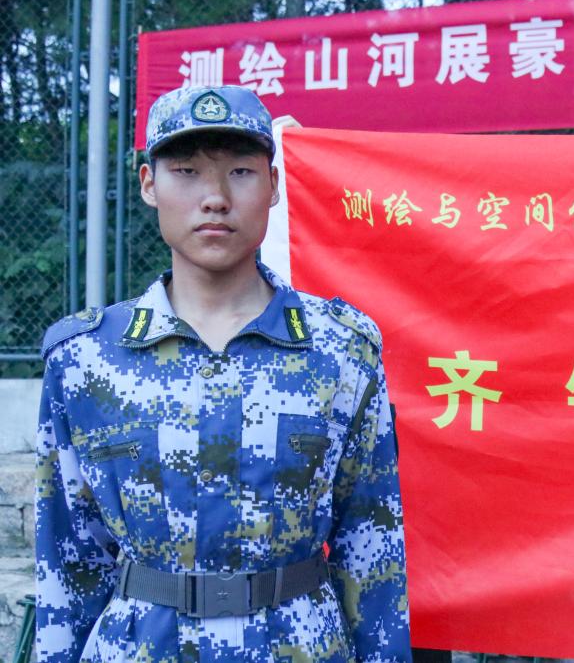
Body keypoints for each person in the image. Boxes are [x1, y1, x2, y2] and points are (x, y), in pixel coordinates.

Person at [35, 85, 411, 662]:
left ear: (274, 185)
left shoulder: (340, 351)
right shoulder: (85, 359)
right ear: (148, 185)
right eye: (186, 171)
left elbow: (372, 548)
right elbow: (68, 561)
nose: (214, 198)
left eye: (240, 171)